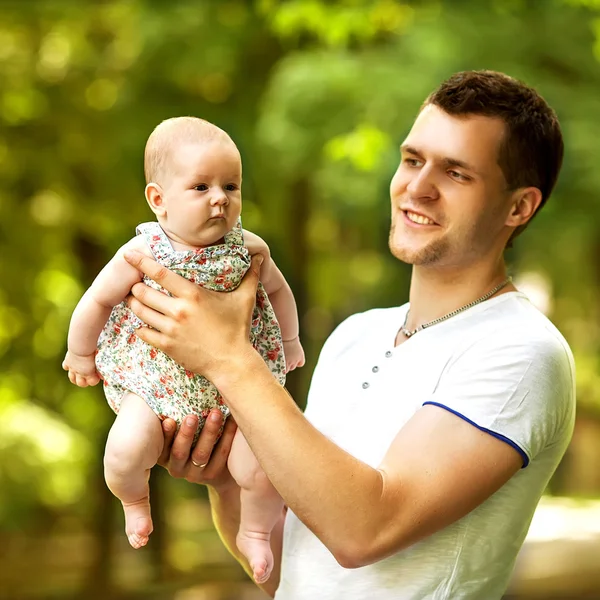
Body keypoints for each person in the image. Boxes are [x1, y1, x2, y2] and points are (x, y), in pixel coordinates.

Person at [121, 71, 575, 600]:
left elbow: (364, 530)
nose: (418, 187)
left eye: (455, 173)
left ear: (519, 207)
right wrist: (225, 479)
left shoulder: (521, 351)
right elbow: (290, 576)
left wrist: (226, 355)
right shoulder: (353, 338)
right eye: (412, 159)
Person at [62, 117, 305, 584]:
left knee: (262, 464)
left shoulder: (249, 248)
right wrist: (80, 353)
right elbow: (97, 299)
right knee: (124, 450)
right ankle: (135, 501)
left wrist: (291, 342)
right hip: (154, 386)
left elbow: (279, 294)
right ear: (159, 200)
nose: (220, 198)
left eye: (231, 186)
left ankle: (255, 532)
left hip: (235, 391)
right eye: (201, 186)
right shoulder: (140, 253)